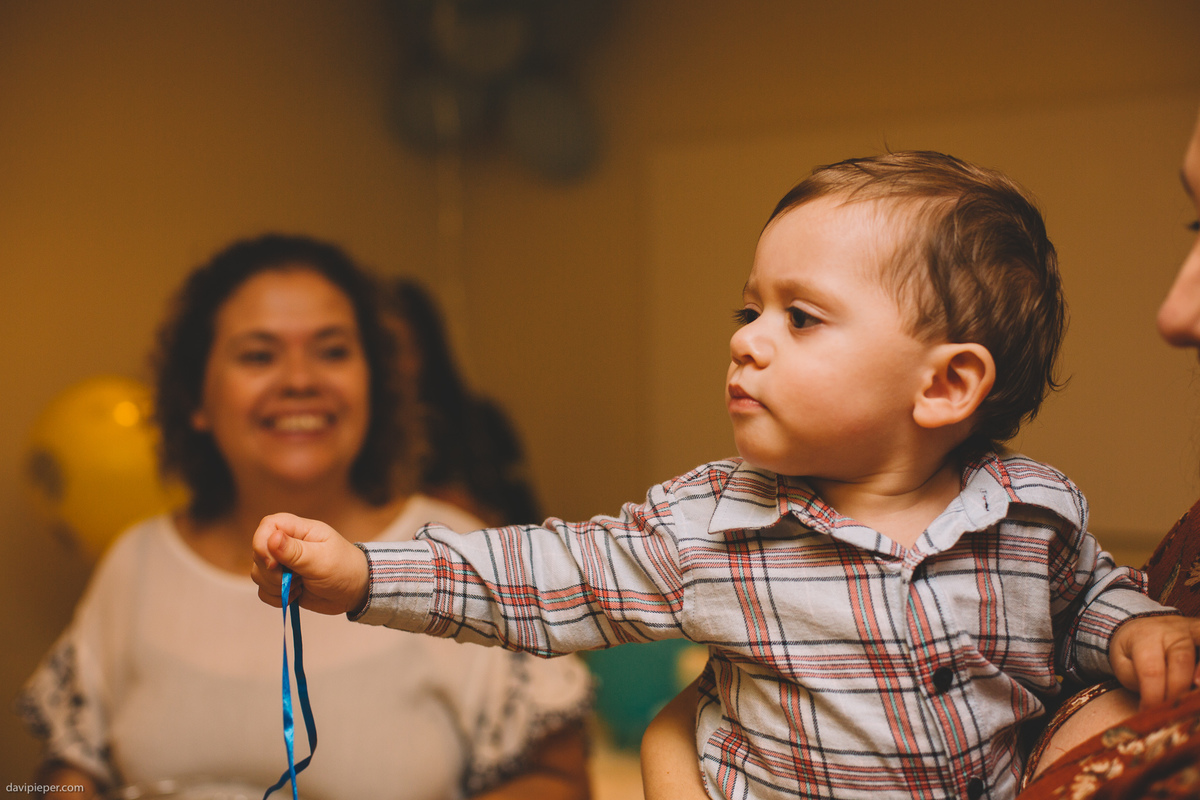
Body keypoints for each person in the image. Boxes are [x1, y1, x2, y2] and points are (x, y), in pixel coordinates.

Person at [250, 153, 1200, 800]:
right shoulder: (715, 526)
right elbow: (544, 575)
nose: (746, 341)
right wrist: (367, 575)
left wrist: (1140, 626)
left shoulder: (1037, 513)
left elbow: (1086, 605)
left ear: (947, 383)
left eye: (801, 317)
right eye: (749, 310)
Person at [16, 234, 592, 800]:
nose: (299, 380)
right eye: (259, 355)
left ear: (375, 384)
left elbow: (559, 779)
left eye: (333, 351)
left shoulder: (457, 553)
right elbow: (68, 769)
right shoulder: (134, 562)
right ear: (196, 398)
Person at [389, 278, 543, 527]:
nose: (394, 365)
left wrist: (466, 511)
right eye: (384, 351)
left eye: (404, 349)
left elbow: (526, 521)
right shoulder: (360, 430)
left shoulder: (481, 423)